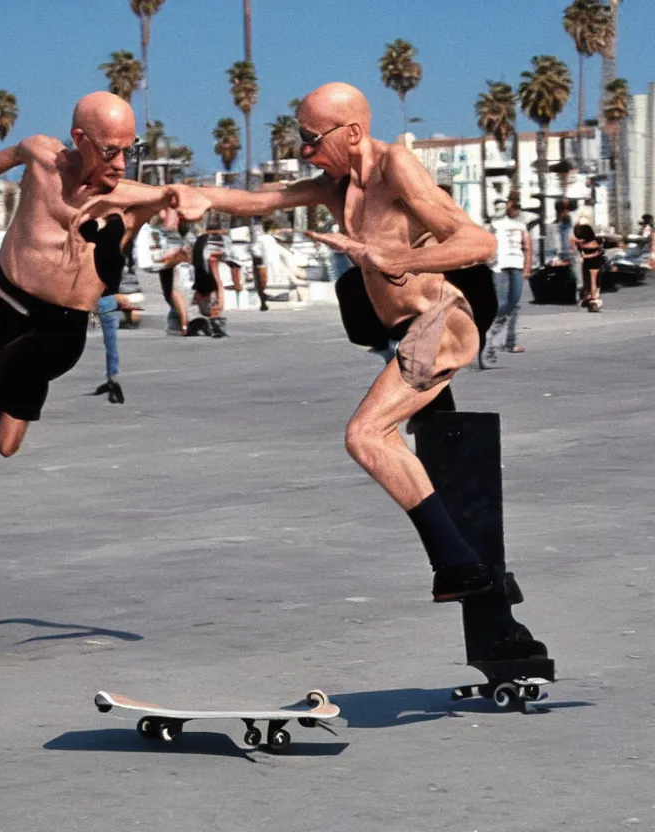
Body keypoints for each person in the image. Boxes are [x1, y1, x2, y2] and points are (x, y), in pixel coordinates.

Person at [184, 82, 505, 604]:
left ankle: (460, 567)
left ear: (352, 132)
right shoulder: (335, 186)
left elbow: (477, 241)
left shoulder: (396, 167)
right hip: (403, 330)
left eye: (312, 140)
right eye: (300, 140)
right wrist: (204, 197)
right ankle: (477, 574)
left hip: (440, 323)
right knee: (433, 451)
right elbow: (264, 200)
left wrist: (397, 260)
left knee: (367, 434)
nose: (304, 151)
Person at [0, 91, 201, 457]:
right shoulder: (41, 158)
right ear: (81, 139)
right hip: (10, 306)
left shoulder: (134, 198)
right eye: (111, 150)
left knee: (6, 444)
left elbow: (229, 198)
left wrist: (296, 195)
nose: (121, 163)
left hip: (60, 332)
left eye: (130, 150)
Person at [484, 201, 532, 363]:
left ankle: (503, 338)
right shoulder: (495, 224)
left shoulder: (521, 225)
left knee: (514, 303)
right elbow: (487, 244)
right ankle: (492, 337)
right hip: (500, 267)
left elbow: (527, 246)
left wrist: (527, 267)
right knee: (502, 304)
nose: (514, 210)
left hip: (516, 265)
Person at [571, 219, 604, 312]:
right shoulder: (597, 242)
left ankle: (590, 298)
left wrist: (586, 255)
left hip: (587, 264)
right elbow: (600, 251)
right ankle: (593, 298)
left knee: (588, 282)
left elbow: (583, 254)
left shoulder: (581, 245)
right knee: (594, 282)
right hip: (596, 263)